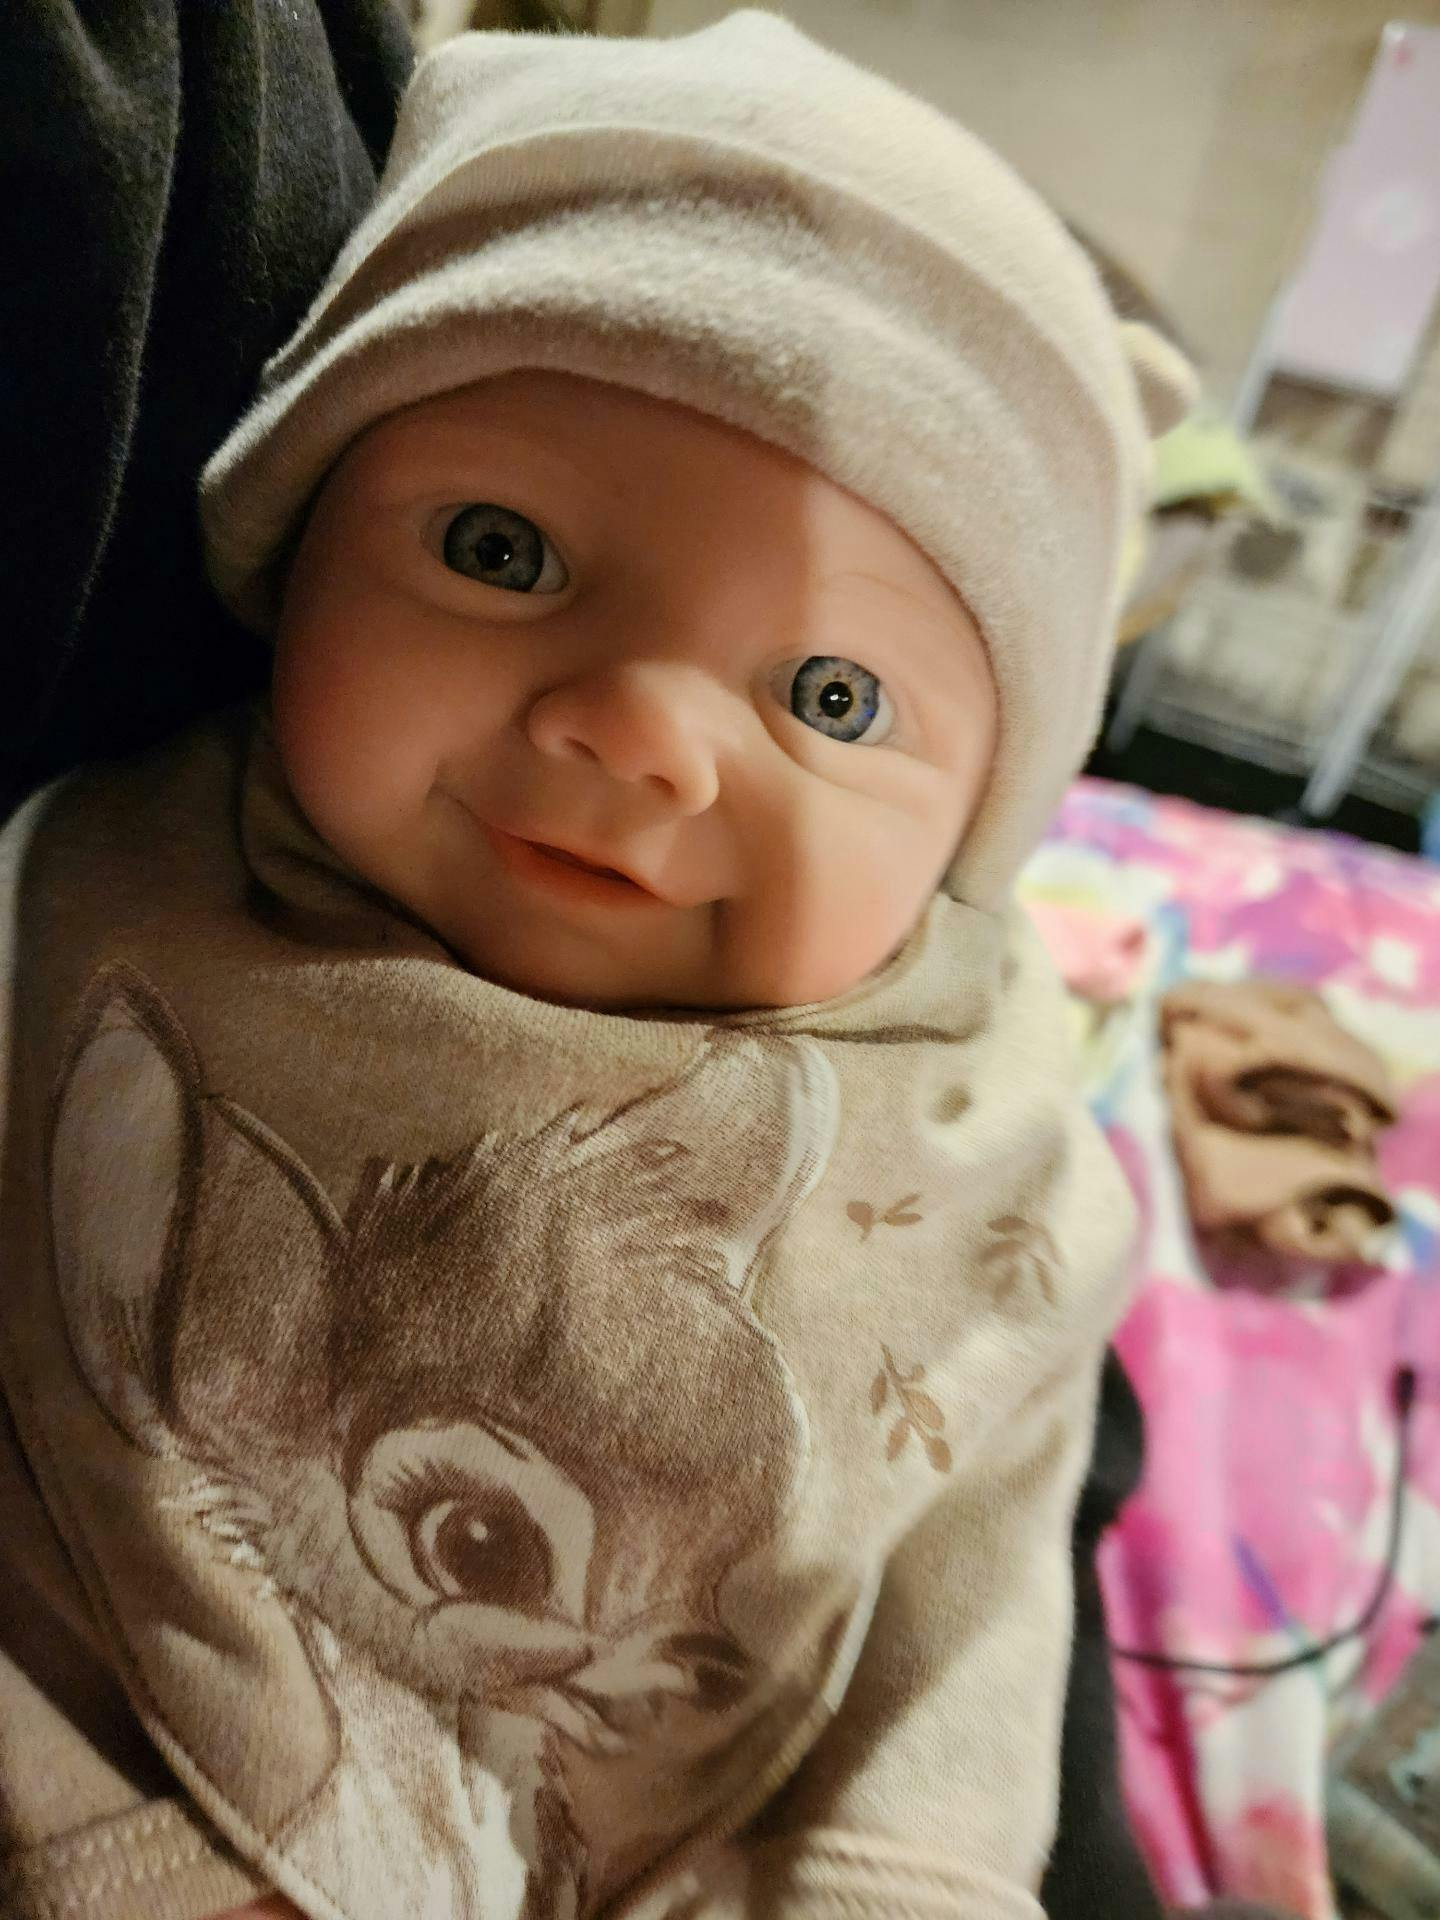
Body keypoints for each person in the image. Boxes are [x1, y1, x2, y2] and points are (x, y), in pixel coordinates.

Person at [0, 12, 1212, 1919]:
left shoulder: (982, 1130)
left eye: (832, 695)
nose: (641, 732)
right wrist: (106, 1846)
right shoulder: (86, 913)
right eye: (499, 549)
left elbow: (971, 1607)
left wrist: (897, 1881)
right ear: (287, 552)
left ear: (974, 838)